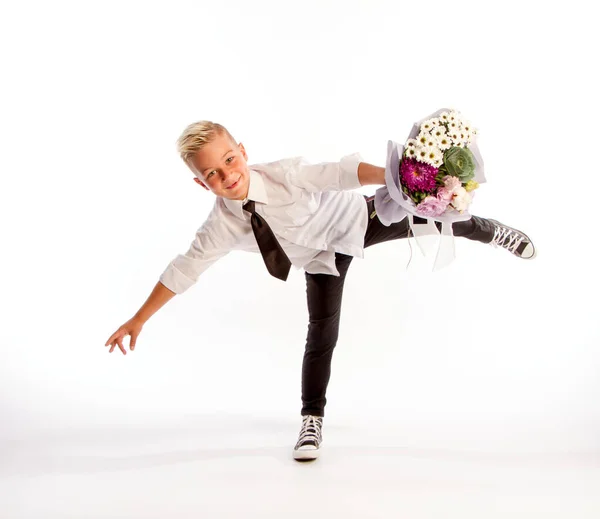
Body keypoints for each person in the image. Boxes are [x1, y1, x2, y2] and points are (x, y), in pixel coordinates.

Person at [105, 121, 536, 461]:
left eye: (230, 160)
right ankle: (312, 418)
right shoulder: (220, 225)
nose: (227, 175)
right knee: (321, 334)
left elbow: (342, 173)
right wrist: (138, 318)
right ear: (202, 184)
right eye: (212, 174)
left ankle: (494, 232)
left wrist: (394, 182)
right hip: (319, 260)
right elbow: (186, 267)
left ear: (243, 152)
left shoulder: (285, 175)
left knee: (430, 218)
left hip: (357, 221)